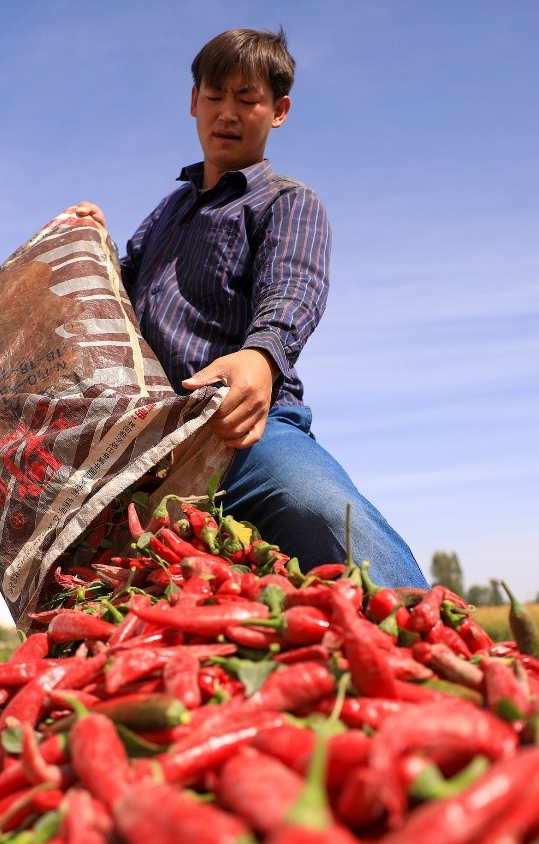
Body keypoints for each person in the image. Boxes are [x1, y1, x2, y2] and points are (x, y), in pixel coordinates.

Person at [73, 28, 428, 589]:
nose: (228, 113)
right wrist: (93, 246)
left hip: (245, 426)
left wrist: (262, 355)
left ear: (278, 111)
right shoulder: (167, 212)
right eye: (215, 97)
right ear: (194, 102)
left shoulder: (286, 201)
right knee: (92, 572)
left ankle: (425, 641)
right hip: (152, 442)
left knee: (316, 507)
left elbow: (295, 285)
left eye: (248, 99)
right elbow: (120, 291)